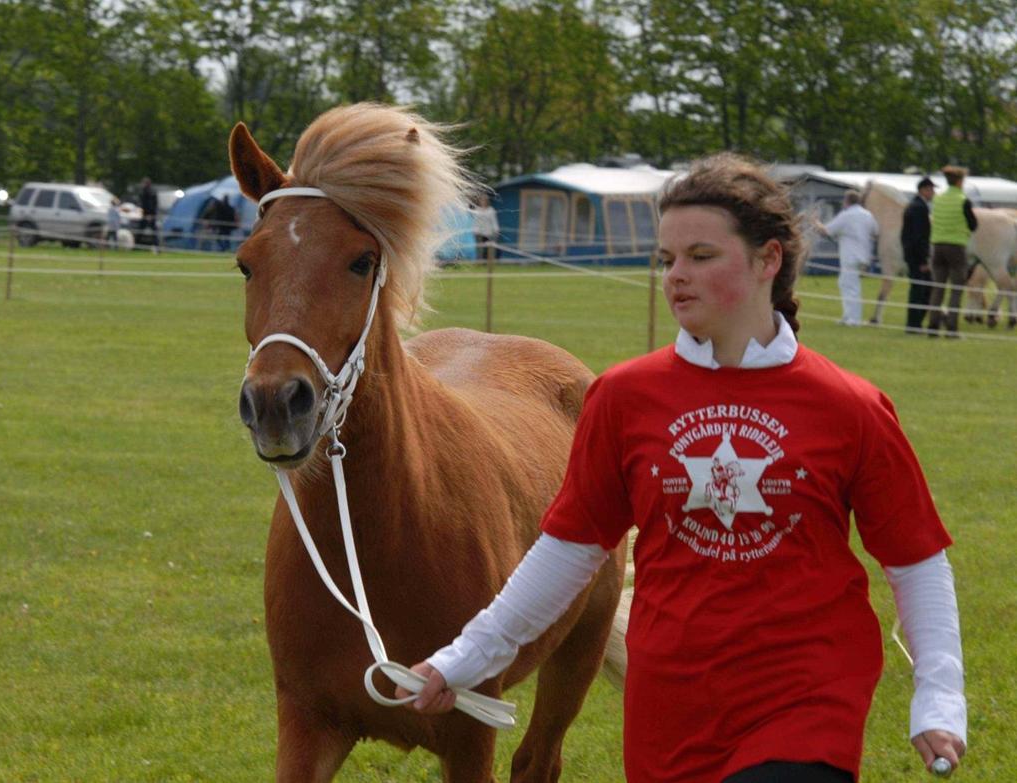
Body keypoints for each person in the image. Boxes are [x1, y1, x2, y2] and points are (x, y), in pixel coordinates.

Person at [400, 154, 967, 783]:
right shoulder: (622, 398)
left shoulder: (850, 406)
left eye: (701, 256)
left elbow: (916, 561)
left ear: (768, 260)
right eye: (667, 258)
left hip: (806, 698)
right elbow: (568, 551)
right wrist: (464, 657)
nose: (676, 276)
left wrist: (940, 695)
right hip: (669, 709)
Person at [926, 166, 977, 337]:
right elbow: (973, 225)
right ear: (960, 182)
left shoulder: (938, 199)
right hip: (956, 247)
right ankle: (951, 327)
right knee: (956, 288)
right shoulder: (963, 200)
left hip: (937, 246)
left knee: (938, 287)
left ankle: (933, 326)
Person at [816, 190, 878, 326]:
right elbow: (875, 232)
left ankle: (854, 319)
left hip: (850, 255)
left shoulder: (846, 215)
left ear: (847, 201)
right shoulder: (868, 215)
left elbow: (826, 230)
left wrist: (816, 222)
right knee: (845, 283)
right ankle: (847, 315)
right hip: (863, 255)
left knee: (851, 287)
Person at [901, 177, 936, 334]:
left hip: (912, 255)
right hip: (917, 257)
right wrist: (923, 260)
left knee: (921, 289)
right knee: (920, 290)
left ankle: (915, 323)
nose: (933, 193)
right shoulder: (920, 208)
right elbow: (919, 236)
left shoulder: (914, 206)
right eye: (930, 190)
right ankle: (914, 324)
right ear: (923, 190)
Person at [471, 193, 499, 263]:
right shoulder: (477, 210)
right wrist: (474, 230)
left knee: (490, 248)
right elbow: (475, 221)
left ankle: (490, 262)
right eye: (481, 200)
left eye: (484, 200)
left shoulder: (491, 210)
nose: (483, 201)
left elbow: (494, 221)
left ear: (487, 201)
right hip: (478, 232)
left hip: (488, 233)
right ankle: (479, 262)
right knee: (479, 248)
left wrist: (496, 230)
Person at [139, 177, 160, 253]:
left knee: (152, 231)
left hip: (149, 214)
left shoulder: (149, 191)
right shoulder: (147, 190)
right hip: (147, 213)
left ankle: (156, 248)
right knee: (141, 230)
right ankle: (138, 246)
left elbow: (150, 204)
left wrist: (150, 214)